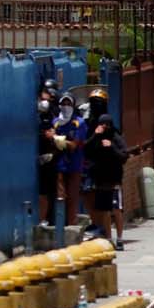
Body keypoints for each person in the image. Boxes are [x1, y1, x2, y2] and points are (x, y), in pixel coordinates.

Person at [83, 114, 128, 250]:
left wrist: (111, 147)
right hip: (101, 180)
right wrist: (95, 136)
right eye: (102, 125)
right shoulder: (96, 137)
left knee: (117, 209)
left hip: (114, 180)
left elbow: (124, 156)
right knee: (105, 211)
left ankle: (119, 238)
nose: (105, 128)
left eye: (107, 125)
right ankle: (109, 238)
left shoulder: (116, 138)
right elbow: (86, 150)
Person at [54, 94, 88, 225]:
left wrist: (56, 138)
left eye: (69, 104)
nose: (66, 107)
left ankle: (71, 225)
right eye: (63, 104)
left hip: (75, 164)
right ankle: (60, 225)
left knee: (72, 196)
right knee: (61, 196)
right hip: (60, 164)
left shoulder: (79, 123)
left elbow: (74, 145)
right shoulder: (56, 122)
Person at [37, 91, 64, 227]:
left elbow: (62, 141)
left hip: (49, 160)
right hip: (37, 158)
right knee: (42, 193)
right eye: (41, 99)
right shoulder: (34, 116)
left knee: (50, 192)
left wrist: (53, 136)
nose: (44, 102)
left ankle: (51, 220)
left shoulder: (55, 118)